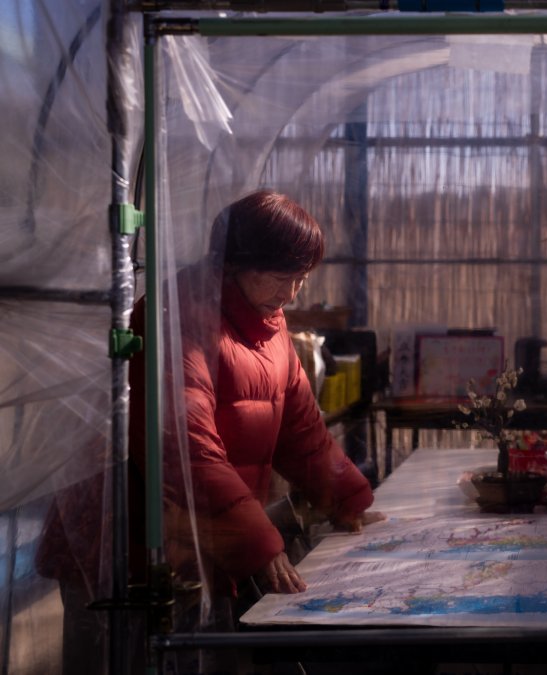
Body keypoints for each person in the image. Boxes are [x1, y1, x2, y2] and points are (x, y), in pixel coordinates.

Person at [37, 189, 383, 672]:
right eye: (280, 277)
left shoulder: (268, 325)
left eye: (301, 278)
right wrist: (257, 543)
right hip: (128, 551)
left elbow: (301, 431)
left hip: (202, 543)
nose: (292, 293)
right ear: (235, 262)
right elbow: (184, 446)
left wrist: (347, 499)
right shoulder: (177, 318)